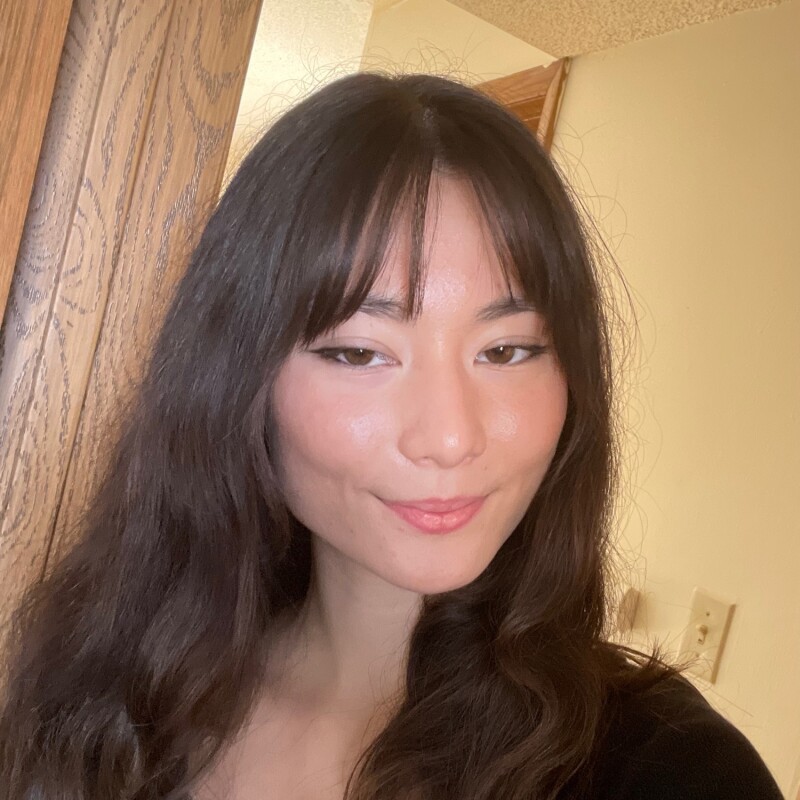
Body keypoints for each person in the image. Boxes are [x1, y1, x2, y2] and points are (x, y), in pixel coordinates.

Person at [0, 73, 783, 800]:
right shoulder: (108, 692)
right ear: (236, 380)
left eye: (507, 351)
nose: (449, 437)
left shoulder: (670, 769)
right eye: (358, 353)